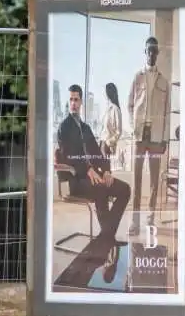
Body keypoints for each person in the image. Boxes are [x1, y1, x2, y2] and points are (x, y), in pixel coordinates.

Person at [56, 84, 131, 239]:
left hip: (93, 177)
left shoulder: (86, 128)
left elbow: (97, 153)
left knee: (125, 189)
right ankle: (107, 237)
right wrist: (87, 170)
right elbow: (68, 156)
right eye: (71, 100)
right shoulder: (64, 127)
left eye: (76, 99)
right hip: (77, 181)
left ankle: (106, 234)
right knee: (101, 188)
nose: (74, 103)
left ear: (81, 102)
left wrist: (106, 171)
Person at [127, 37, 171, 235]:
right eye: (148, 51)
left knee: (154, 180)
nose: (151, 54)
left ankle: (150, 219)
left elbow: (167, 113)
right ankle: (134, 222)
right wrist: (132, 127)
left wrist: (165, 139)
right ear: (144, 52)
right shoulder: (137, 77)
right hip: (139, 136)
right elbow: (129, 105)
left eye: (155, 51)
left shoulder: (164, 81)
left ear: (158, 53)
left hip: (155, 138)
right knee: (136, 180)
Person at [99, 82, 123, 158]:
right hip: (101, 143)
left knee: (106, 168)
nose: (104, 94)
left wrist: (108, 142)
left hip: (107, 145)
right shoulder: (107, 109)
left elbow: (119, 131)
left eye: (105, 92)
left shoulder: (115, 109)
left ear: (108, 93)